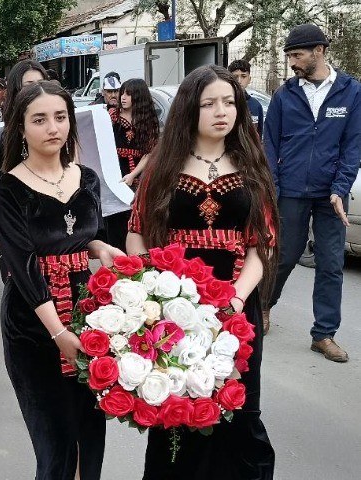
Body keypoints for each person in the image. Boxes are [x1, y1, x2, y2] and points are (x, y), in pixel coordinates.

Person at [126, 65, 277, 478]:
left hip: (234, 312)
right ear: (189, 110)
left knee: (236, 410)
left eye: (229, 102)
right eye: (209, 103)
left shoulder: (251, 165)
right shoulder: (162, 166)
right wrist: (151, 290)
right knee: (179, 411)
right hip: (174, 313)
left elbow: (259, 246)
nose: (221, 111)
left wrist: (237, 298)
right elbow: (136, 234)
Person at [0, 80, 119, 480]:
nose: (53, 128)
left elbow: (85, 233)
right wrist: (59, 334)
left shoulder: (88, 179)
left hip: (90, 316)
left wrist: (99, 248)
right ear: (21, 128)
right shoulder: (7, 190)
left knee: (89, 435)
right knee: (56, 444)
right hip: (33, 327)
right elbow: (24, 267)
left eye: (60, 117)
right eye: (40, 119)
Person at [263, 23, 361, 358]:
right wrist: (274, 188)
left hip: (330, 196)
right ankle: (264, 305)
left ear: (318, 51)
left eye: (296, 54)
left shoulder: (350, 91)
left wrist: (340, 188)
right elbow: (268, 145)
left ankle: (323, 334)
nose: (291, 61)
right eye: (288, 54)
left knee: (331, 263)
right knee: (284, 256)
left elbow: (352, 146)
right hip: (290, 191)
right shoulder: (284, 95)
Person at [0, 59, 49, 225]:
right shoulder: (3, 139)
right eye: (29, 85)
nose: (37, 90)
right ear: (16, 91)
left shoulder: (59, 133)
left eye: (41, 83)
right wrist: (10, 235)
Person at [104, 78, 159, 251]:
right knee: (113, 218)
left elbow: (149, 153)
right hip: (113, 170)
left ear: (139, 97)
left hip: (137, 175)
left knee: (134, 217)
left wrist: (133, 175)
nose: (123, 97)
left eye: (129, 94)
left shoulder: (147, 121)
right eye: (123, 92)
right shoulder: (111, 116)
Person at [228, 59, 264, 136]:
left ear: (249, 79)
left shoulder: (256, 105)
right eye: (235, 76)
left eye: (243, 76)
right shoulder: (224, 104)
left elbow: (259, 135)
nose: (239, 80)